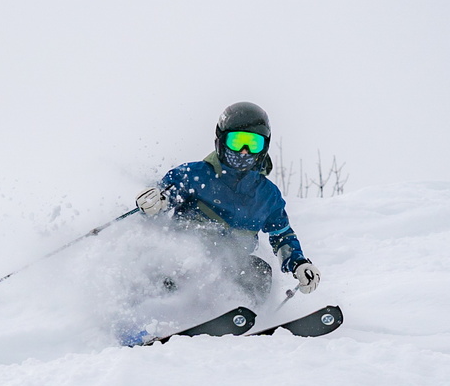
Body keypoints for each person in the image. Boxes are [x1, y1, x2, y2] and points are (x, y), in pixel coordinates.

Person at [135, 101, 321, 301]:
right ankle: (157, 312)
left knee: (258, 271)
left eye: (253, 144)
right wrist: (155, 202)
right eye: (237, 141)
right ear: (221, 140)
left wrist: (299, 263)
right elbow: (165, 197)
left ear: (264, 148)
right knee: (180, 263)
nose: (244, 151)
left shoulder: (268, 196)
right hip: (183, 262)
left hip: (231, 270)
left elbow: (282, 235)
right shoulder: (194, 175)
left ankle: (244, 319)